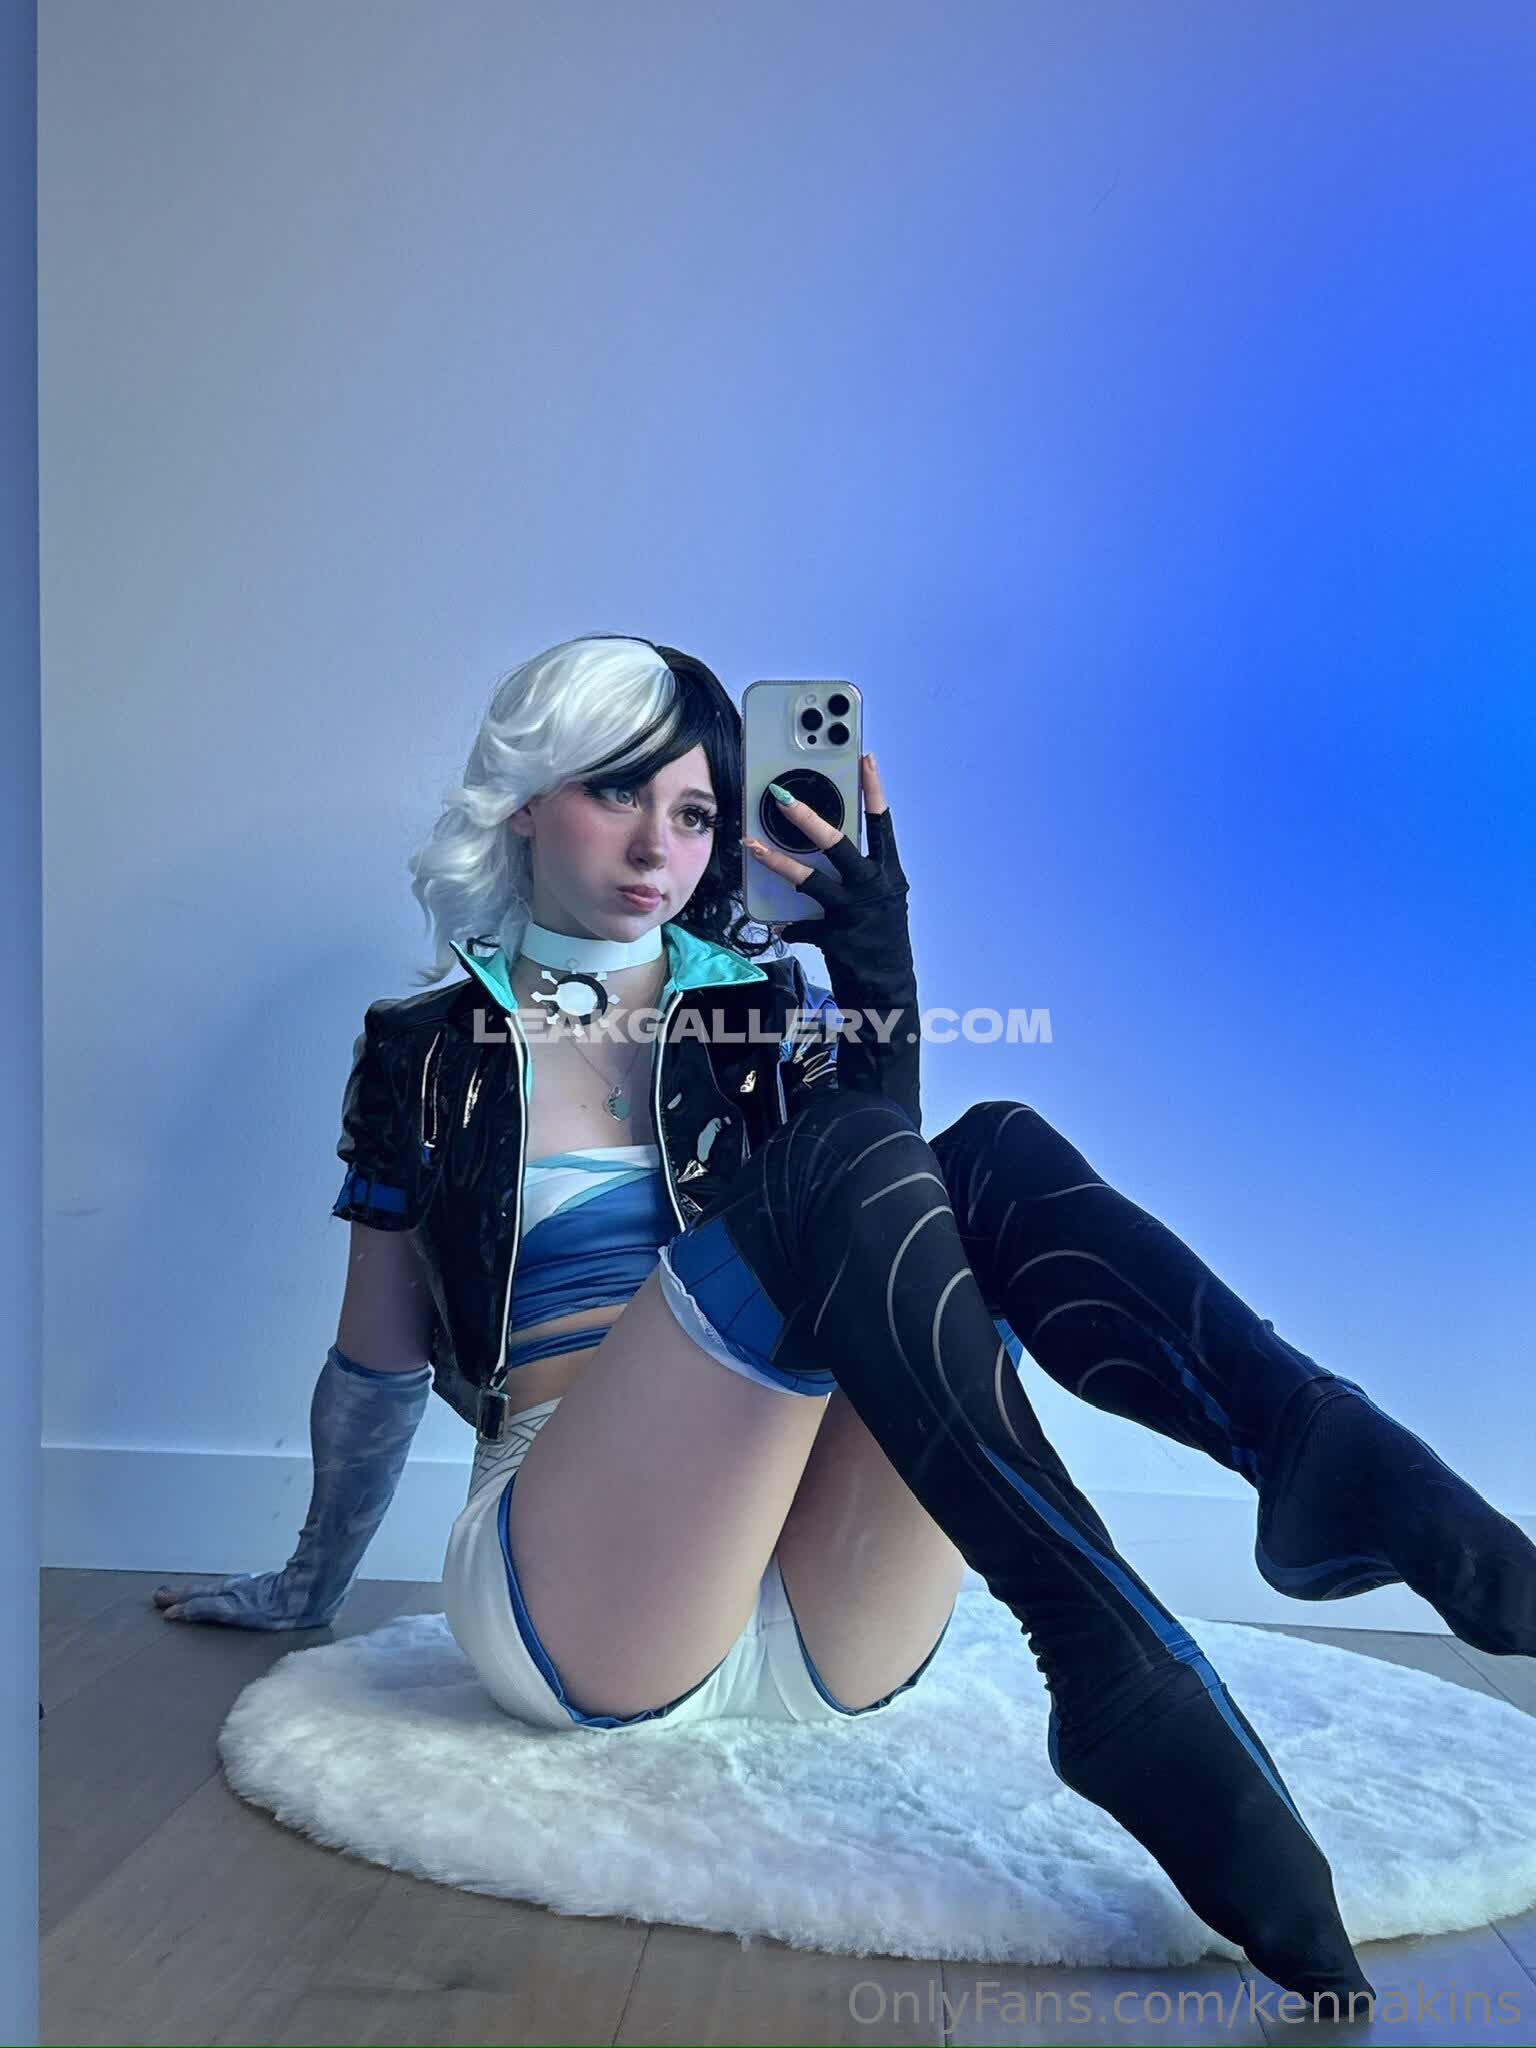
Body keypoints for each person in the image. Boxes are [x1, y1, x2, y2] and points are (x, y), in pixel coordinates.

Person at [156, 634, 1534, 2007]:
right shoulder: (425, 1046)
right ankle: (1125, 1652)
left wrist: (880, 975)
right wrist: (309, 1578)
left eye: (696, 812)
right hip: (579, 1592)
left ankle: (1299, 1462)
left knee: (982, 1154)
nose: (658, 846)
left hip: (825, 1604)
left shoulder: (757, 1009)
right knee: (865, 1156)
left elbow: (896, 1229)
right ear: (525, 800)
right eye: (617, 791)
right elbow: (378, 1356)